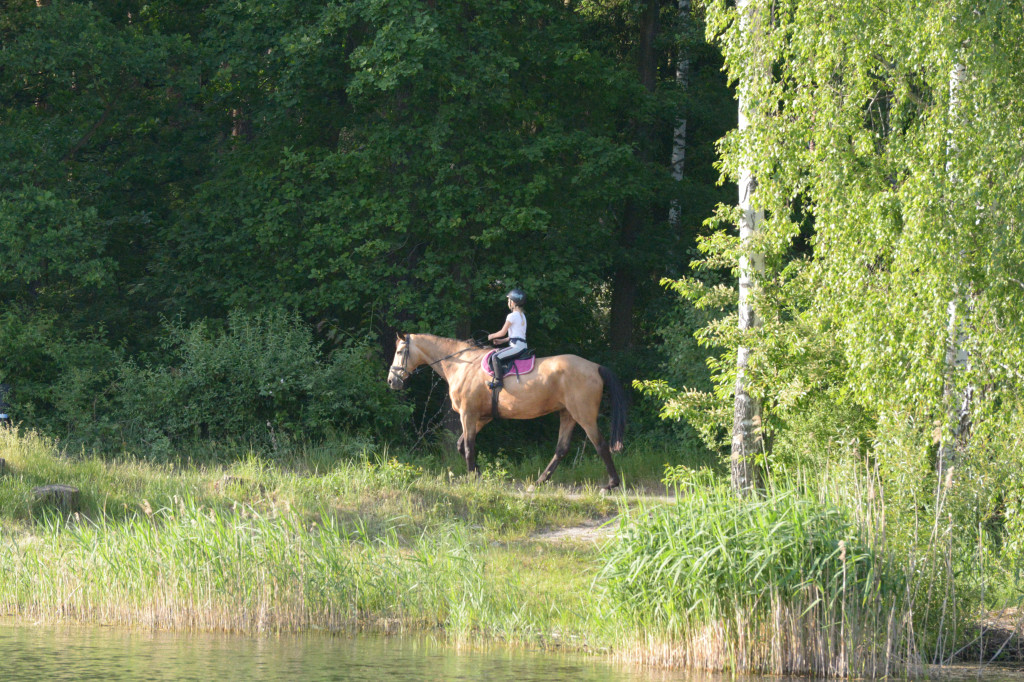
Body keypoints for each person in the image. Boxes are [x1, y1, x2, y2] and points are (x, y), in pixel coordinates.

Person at [487, 289, 527, 388]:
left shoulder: (512, 316)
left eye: (509, 300)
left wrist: (491, 336)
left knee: (495, 357)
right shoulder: (522, 316)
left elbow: (502, 332)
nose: (508, 302)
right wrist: (501, 341)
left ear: (513, 302)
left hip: (516, 347)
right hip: (522, 346)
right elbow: (515, 336)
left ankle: (498, 382)